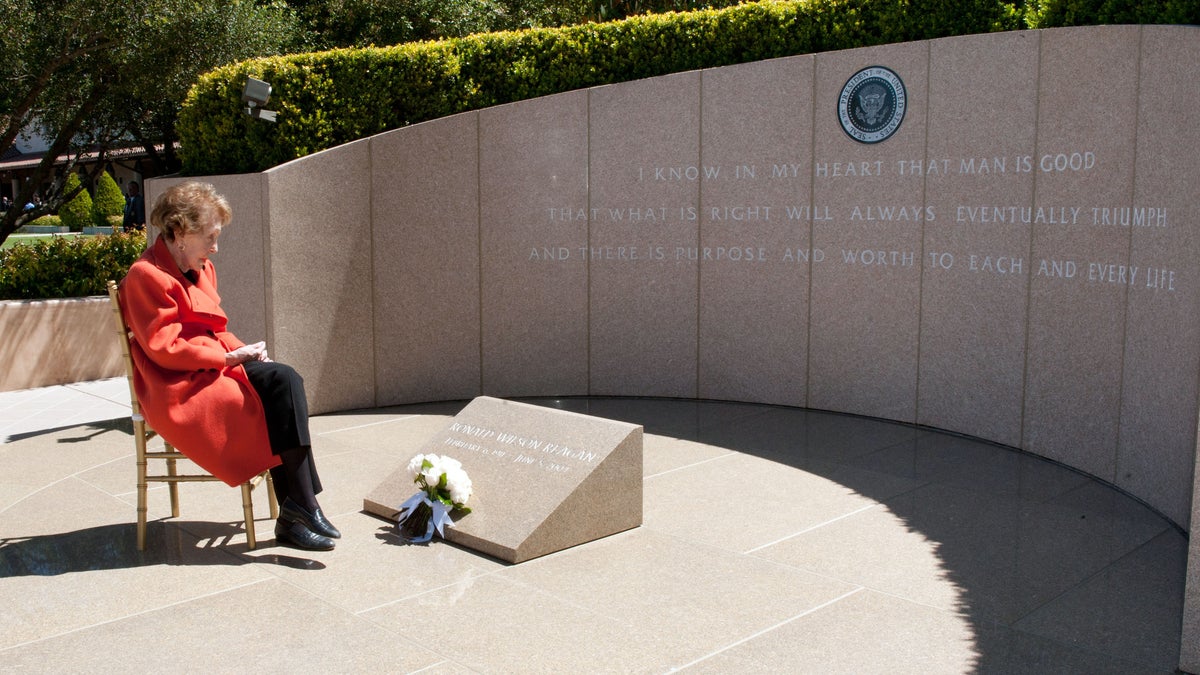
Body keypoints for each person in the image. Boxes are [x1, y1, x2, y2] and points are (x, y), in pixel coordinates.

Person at [119, 181, 339, 551]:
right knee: (274, 390)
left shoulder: (200, 268)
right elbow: (163, 348)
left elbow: (215, 329)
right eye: (210, 237)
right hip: (174, 385)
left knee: (284, 378)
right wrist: (226, 358)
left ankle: (299, 507)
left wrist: (246, 351)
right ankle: (299, 509)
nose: (215, 248)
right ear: (178, 233)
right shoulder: (146, 275)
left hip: (205, 368)